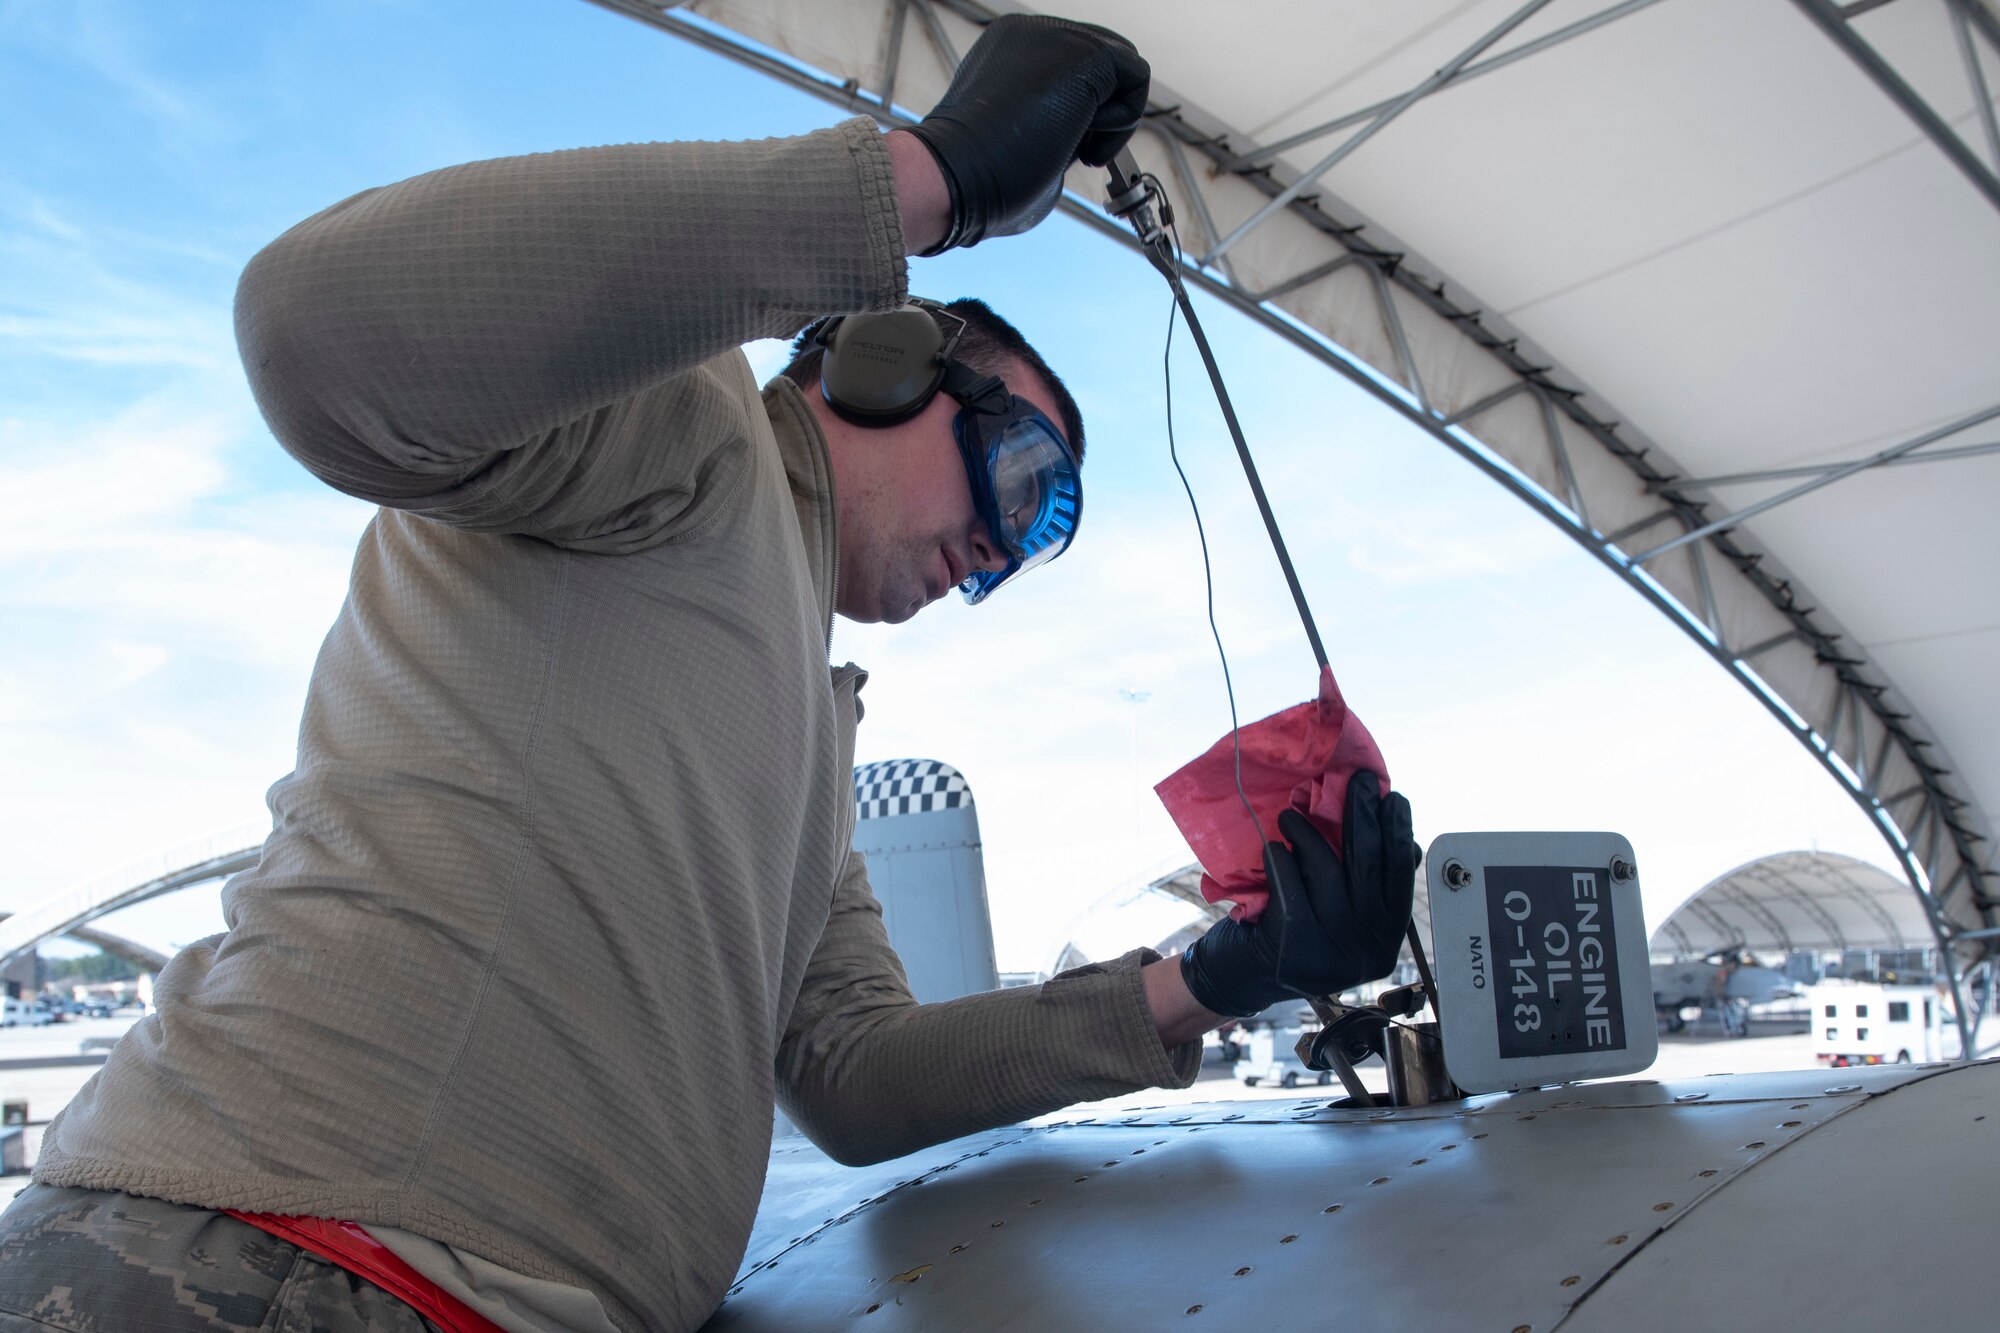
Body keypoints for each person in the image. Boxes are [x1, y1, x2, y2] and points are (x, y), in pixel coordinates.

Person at [0, 16, 1416, 1333]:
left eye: (1038, 541)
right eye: (1022, 477)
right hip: (271, 1260)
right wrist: (919, 184)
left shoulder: (805, 742)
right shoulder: (686, 436)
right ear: (878, 363)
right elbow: (310, 332)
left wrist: (1223, 976)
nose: (995, 551)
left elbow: (859, 1074)